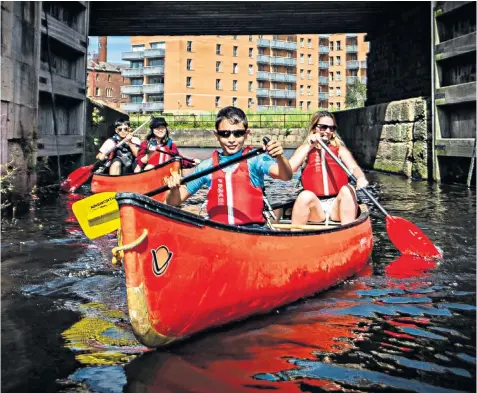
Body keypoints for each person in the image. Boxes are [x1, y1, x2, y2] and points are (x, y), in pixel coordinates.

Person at [165, 106, 293, 228]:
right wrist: (174, 189)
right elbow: (174, 202)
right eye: (225, 134)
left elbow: (286, 176)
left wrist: (280, 157)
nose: (231, 139)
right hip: (218, 231)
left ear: (247, 133)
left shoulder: (256, 160)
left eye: (238, 134)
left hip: (253, 230)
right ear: (216, 135)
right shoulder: (206, 166)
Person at [288, 111, 368, 226]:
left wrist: (360, 177)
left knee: (348, 189)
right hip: (315, 207)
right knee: (305, 196)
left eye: (331, 128)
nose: (328, 131)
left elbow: (354, 167)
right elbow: (290, 169)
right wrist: (310, 145)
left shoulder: (340, 150)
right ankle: (295, 237)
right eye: (323, 127)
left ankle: (347, 233)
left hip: (337, 204)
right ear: (314, 128)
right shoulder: (305, 149)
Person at [134, 117, 200, 172]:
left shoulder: (171, 145)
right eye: (157, 128)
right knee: (149, 167)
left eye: (162, 127)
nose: (160, 130)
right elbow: (140, 163)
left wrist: (192, 162)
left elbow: (179, 159)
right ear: (152, 130)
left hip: (167, 173)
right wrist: (149, 154)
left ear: (166, 129)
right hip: (150, 174)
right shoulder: (145, 144)